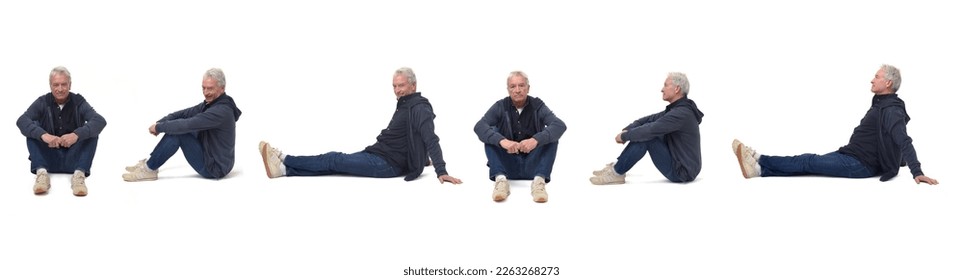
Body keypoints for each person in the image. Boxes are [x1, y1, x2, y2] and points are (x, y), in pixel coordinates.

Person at [732, 64, 939, 185]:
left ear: (888, 83)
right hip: (850, 155)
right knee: (808, 163)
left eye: (876, 77)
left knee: (808, 161)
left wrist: (916, 171)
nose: (871, 80)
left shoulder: (891, 109)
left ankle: (760, 160)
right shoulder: (881, 103)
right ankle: (759, 169)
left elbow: (903, 140)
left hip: (860, 165)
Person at [259, 67, 462, 185]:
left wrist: (441, 170)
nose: (397, 90)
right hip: (379, 154)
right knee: (335, 165)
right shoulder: (405, 104)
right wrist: (421, 159)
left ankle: (284, 158)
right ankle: (284, 170)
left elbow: (430, 137)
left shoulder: (419, 108)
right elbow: (409, 136)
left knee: (333, 159)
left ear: (413, 86)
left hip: (387, 164)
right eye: (394, 86)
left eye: (401, 85)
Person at [122, 68, 242, 181]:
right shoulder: (211, 104)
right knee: (177, 126)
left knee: (178, 133)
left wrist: (159, 127)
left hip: (215, 168)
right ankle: (151, 163)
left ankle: (149, 169)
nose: (205, 93)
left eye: (210, 88)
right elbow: (184, 114)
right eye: (203, 88)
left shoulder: (221, 111)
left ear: (222, 88)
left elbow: (187, 124)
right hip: (210, 155)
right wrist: (160, 122)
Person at [589, 72, 704, 185]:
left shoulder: (681, 113)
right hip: (680, 164)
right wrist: (628, 129)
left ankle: (617, 172)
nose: (662, 89)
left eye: (665, 85)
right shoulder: (676, 110)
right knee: (644, 131)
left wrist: (624, 136)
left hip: (682, 172)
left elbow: (650, 130)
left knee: (647, 136)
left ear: (677, 89)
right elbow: (647, 120)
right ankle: (618, 167)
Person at [474, 71, 566, 203]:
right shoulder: (500, 106)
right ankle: (501, 181)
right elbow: (479, 126)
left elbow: (559, 125)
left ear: (528, 88)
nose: (517, 90)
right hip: (507, 166)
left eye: (521, 85)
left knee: (551, 134)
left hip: (534, 166)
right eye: (513, 86)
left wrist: (536, 140)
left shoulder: (537, 105)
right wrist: (502, 141)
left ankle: (539, 183)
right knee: (491, 133)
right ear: (508, 90)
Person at [17, 66, 107, 196]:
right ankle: (42, 175)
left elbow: (100, 120)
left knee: (92, 131)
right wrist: (44, 135)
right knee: (33, 128)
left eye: (64, 84)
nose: (60, 89)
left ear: (70, 85)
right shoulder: (42, 101)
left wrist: (76, 135)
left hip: (74, 159)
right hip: (48, 158)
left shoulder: (78, 101)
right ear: (50, 86)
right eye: (56, 85)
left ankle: (78, 177)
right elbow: (22, 120)